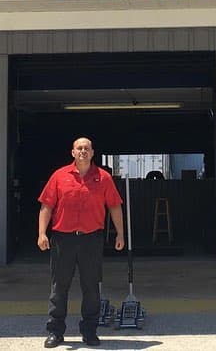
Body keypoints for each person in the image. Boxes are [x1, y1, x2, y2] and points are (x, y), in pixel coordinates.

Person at [38, 137, 125, 348]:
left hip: (91, 240)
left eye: (87, 148)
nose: (83, 151)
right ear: (73, 152)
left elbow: (114, 206)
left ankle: (90, 332)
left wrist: (120, 234)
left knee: (91, 288)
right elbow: (47, 206)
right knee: (59, 288)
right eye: (79, 148)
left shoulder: (103, 178)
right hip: (62, 240)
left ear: (93, 152)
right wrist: (42, 233)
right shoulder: (59, 176)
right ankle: (56, 332)